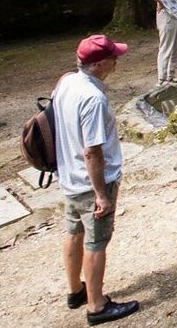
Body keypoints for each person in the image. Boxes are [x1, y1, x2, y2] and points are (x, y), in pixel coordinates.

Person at [53, 35, 140, 325]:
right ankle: (96, 306)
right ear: (100, 63)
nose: (117, 61)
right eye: (114, 57)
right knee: (96, 243)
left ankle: (75, 291)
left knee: (74, 232)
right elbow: (92, 152)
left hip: (70, 178)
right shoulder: (93, 99)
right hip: (91, 183)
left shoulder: (66, 82)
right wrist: (101, 194)